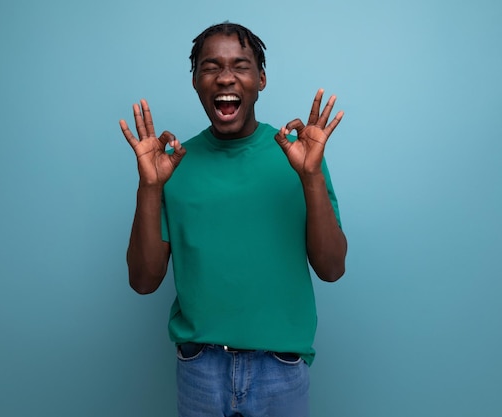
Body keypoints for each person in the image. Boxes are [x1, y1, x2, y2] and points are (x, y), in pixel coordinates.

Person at [119, 22, 347, 417]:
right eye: (210, 66)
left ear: (260, 79)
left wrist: (310, 176)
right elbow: (143, 281)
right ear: (195, 81)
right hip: (200, 370)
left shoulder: (300, 158)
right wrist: (150, 187)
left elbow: (331, 268)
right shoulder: (172, 166)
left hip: (281, 370)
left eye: (240, 65)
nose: (225, 76)